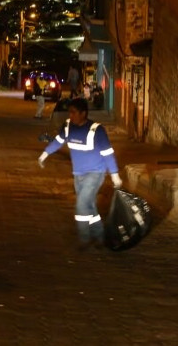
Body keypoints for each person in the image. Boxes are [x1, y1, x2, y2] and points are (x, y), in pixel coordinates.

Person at [37, 97, 123, 250]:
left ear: (84, 113)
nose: (71, 116)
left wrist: (115, 174)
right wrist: (44, 155)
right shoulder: (69, 127)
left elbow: (108, 153)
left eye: (74, 113)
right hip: (78, 174)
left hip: (95, 173)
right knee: (89, 206)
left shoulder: (97, 130)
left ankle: (84, 240)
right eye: (69, 113)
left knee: (81, 205)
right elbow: (58, 141)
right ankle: (100, 236)